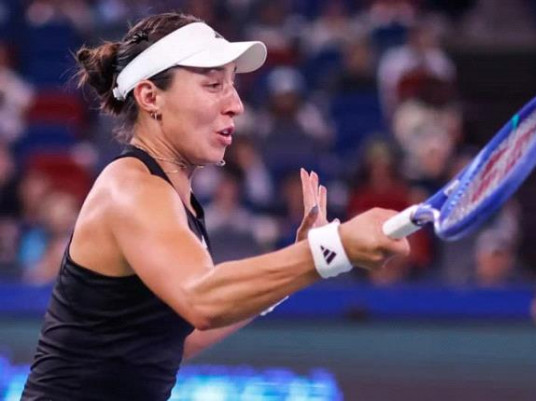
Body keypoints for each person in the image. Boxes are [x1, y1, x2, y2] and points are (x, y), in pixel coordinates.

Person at [21, 12, 409, 400]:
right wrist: (331, 249)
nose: (236, 104)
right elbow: (202, 299)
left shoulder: (177, 201)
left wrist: (303, 264)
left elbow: (174, 341)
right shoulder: (132, 189)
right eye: (213, 85)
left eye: (233, 85)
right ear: (150, 97)